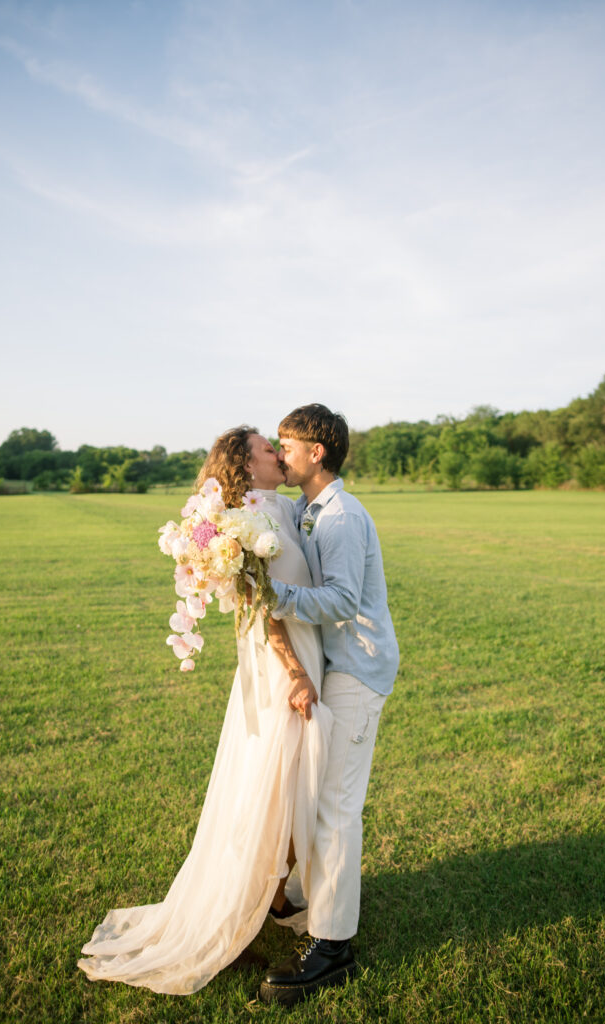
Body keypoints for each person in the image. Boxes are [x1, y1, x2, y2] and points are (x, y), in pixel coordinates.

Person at [77, 427, 334, 995]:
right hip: (279, 668)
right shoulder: (239, 520)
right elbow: (261, 606)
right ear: (245, 461)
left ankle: (273, 891)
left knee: (298, 780)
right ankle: (242, 898)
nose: (277, 451)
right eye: (268, 447)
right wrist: (292, 669)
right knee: (273, 782)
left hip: (310, 655)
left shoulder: (284, 510)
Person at [258, 404, 399, 1007]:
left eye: (285, 444)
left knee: (337, 807)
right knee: (319, 798)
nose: (279, 450)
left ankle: (332, 947)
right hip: (332, 667)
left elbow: (341, 600)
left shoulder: (340, 517)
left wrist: (271, 595)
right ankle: (315, 905)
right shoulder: (305, 508)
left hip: (358, 668)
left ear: (317, 453)